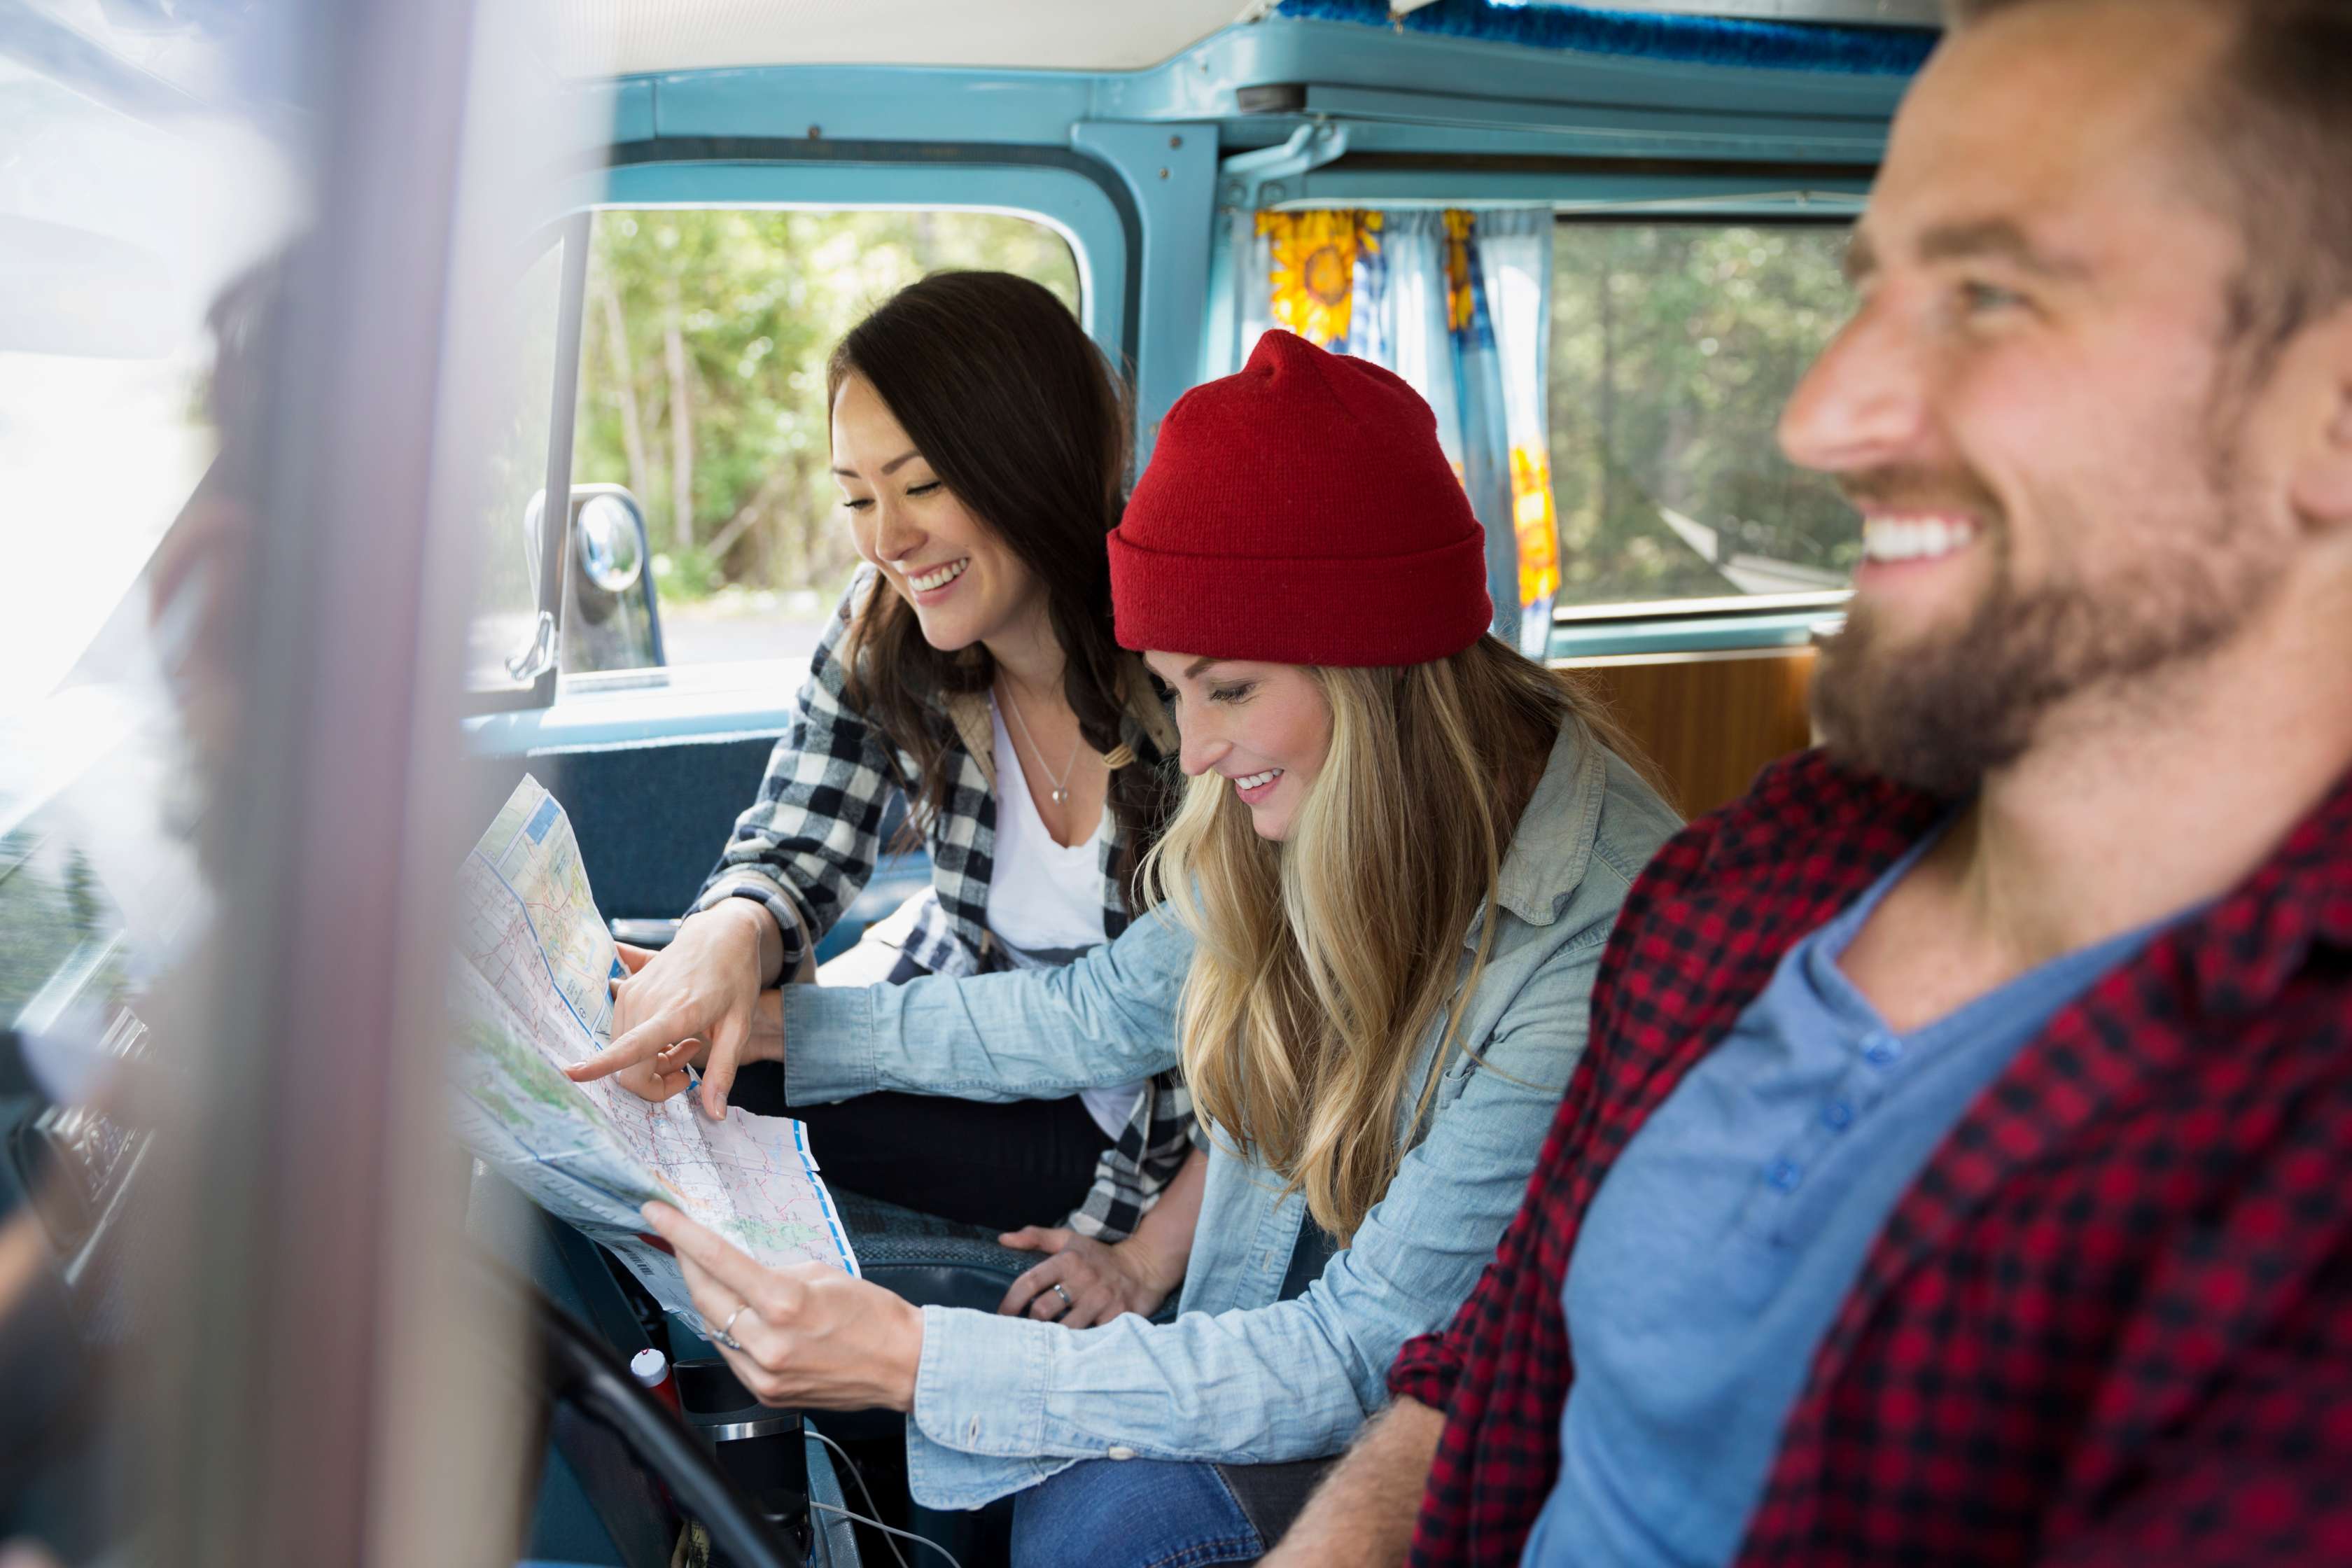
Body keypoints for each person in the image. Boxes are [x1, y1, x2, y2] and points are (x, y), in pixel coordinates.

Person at [1264, 1, 2352, 1563]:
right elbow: (1487, 1379)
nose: (1820, 418)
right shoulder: (1756, 877)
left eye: (1989, 293)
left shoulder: (2303, 1150)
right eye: (1870, 293)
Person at [570, 328, 1681, 1564]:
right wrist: (769, 1022)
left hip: (1435, 1407)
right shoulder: (1296, 787)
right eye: (1177, 689)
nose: (1193, 750)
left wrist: (914, 1357)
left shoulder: (1594, 941)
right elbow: (1094, 1012)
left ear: (1371, 665)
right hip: (1270, 1292)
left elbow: (1355, 1355)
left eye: (1228, 689)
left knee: (1098, 1528)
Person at [606, 271, 1202, 1316]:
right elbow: (796, 838)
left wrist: (1149, 1252)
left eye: (921, 485)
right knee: (612, 975)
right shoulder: (889, 620)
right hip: (963, 1029)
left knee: (707, 1072)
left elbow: (1246, 1034)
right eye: (856, 497)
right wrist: (725, 940)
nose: (886, 539)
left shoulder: (1188, 675)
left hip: (1122, 1117)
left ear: (1031, 457)